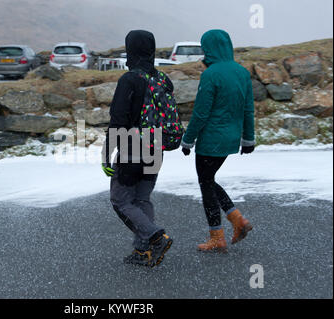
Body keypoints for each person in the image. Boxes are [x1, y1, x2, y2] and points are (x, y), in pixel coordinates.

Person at [101, 30, 173, 267]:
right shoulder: (163, 79)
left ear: (130, 49)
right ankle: (142, 251)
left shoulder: (129, 80)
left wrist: (106, 154)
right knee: (142, 198)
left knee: (120, 200)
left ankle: (155, 237)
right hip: (157, 148)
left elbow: (118, 120)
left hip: (133, 149)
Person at [181, 29, 254, 253]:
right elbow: (248, 109)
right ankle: (236, 220)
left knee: (206, 183)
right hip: (231, 138)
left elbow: (201, 114)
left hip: (211, 140)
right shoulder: (242, 73)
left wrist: (188, 140)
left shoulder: (211, 74)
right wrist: (248, 139)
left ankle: (218, 237)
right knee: (209, 180)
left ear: (209, 49)